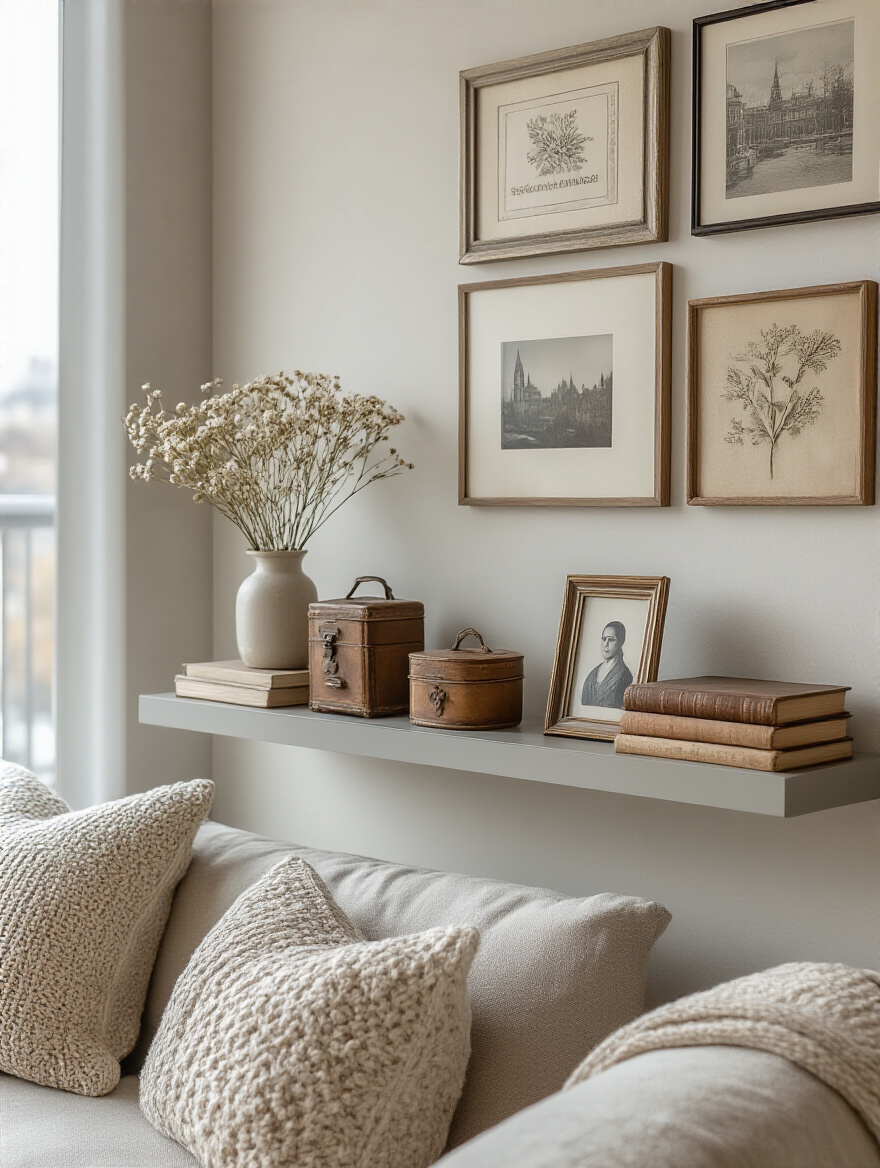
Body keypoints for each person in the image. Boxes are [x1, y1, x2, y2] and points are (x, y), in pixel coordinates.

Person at [581, 621, 633, 709]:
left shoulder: (625, 675)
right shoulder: (593, 674)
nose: (606, 644)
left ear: (621, 642)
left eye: (611, 639)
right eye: (604, 639)